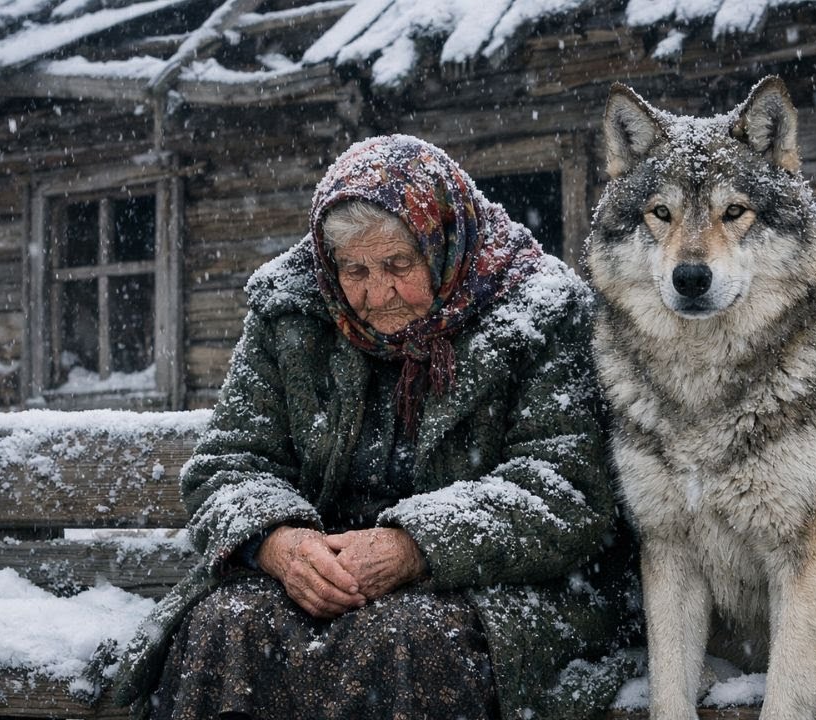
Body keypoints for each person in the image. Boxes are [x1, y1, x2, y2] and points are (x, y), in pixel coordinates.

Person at [112, 135, 638, 720]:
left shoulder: (536, 308)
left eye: (397, 265)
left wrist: (416, 545)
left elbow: (564, 489)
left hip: (492, 581)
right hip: (326, 564)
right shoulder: (292, 309)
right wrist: (281, 545)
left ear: (440, 244)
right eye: (354, 270)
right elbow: (230, 462)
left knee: (406, 640)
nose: (376, 293)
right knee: (226, 627)